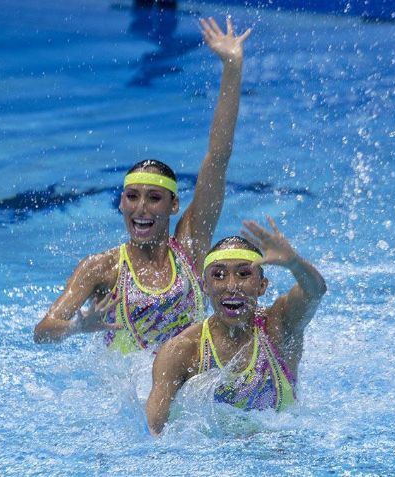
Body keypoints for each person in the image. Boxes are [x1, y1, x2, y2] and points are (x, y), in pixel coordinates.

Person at [34, 17, 252, 353]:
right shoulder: (102, 268)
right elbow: (43, 331)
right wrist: (79, 326)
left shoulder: (191, 247)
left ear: (173, 205)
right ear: (121, 203)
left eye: (154, 198)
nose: (141, 208)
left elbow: (218, 156)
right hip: (125, 382)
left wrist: (232, 67)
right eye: (132, 197)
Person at [145, 217, 327, 435]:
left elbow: (314, 291)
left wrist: (294, 263)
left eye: (243, 274)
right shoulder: (182, 351)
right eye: (219, 275)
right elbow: (155, 432)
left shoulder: (279, 327)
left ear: (262, 286)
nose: (231, 286)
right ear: (205, 286)